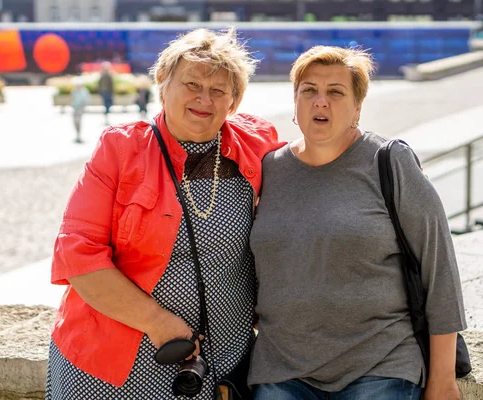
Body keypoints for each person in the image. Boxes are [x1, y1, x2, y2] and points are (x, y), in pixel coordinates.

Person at [46, 28, 283, 399]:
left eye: (219, 90)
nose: (204, 99)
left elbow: (314, 174)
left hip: (217, 364)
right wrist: (157, 323)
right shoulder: (120, 150)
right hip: (110, 366)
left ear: (234, 100)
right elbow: (78, 257)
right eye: (191, 84)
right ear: (163, 83)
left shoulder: (258, 144)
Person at [249, 45, 467, 400]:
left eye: (335, 92)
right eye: (309, 91)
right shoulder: (268, 168)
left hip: (380, 366)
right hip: (281, 369)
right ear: (296, 104)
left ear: (358, 108)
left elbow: (439, 269)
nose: (321, 102)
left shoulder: (390, 161)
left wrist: (443, 378)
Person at [70, 77, 90, 143]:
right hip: (75, 109)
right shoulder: (74, 91)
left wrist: (84, 107)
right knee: (75, 122)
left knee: (78, 122)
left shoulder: (84, 91)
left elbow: (86, 100)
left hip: (80, 109)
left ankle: (79, 135)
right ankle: (77, 134)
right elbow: (72, 99)